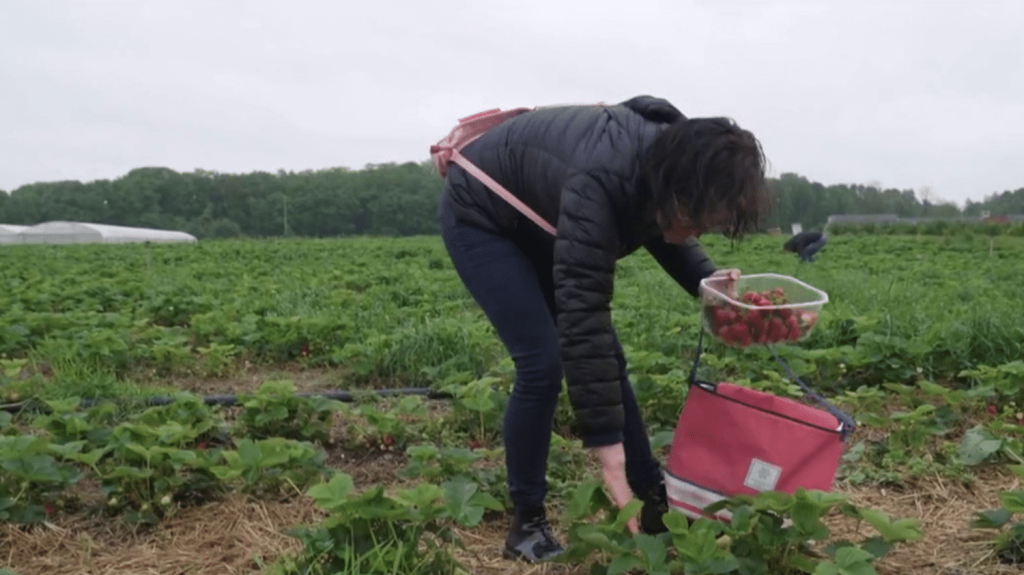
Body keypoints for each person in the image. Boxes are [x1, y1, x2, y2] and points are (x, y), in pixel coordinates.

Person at [436, 95, 770, 563]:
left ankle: (653, 497)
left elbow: (662, 227)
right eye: (696, 217)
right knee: (542, 360)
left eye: (708, 223)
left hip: (543, 217)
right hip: (483, 215)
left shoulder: (662, 169)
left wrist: (706, 282)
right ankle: (526, 524)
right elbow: (584, 308)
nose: (699, 228)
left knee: (609, 361)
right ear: (675, 186)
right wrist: (605, 448)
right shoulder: (603, 177)